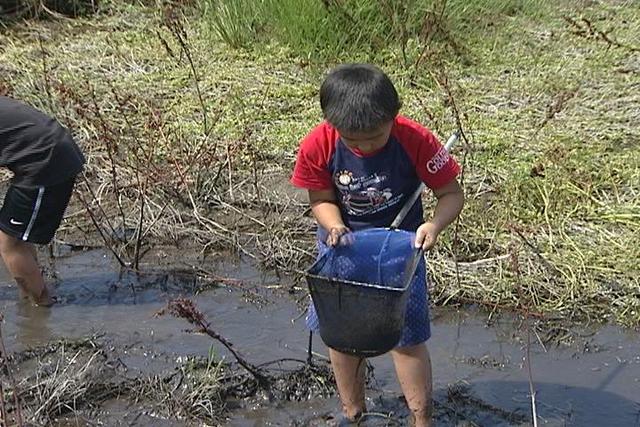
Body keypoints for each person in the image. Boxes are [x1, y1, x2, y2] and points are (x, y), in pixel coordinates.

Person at [291, 64, 464, 426]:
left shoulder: (414, 139)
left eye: (375, 137)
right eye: (354, 141)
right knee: (342, 337)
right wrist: (335, 225)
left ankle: (422, 418)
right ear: (331, 123)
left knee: (407, 337)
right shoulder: (317, 144)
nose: (365, 146)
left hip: (401, 252)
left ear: (393, 117)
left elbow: (450, 193)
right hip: (343, 249)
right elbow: (320, 199)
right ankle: (353, 412)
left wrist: (433, 225)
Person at [0, 96, 85, 306]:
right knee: (18, 237)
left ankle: (41, 307)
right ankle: (29, 296)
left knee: (10, 245)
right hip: (49, 151)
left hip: (45, 160)